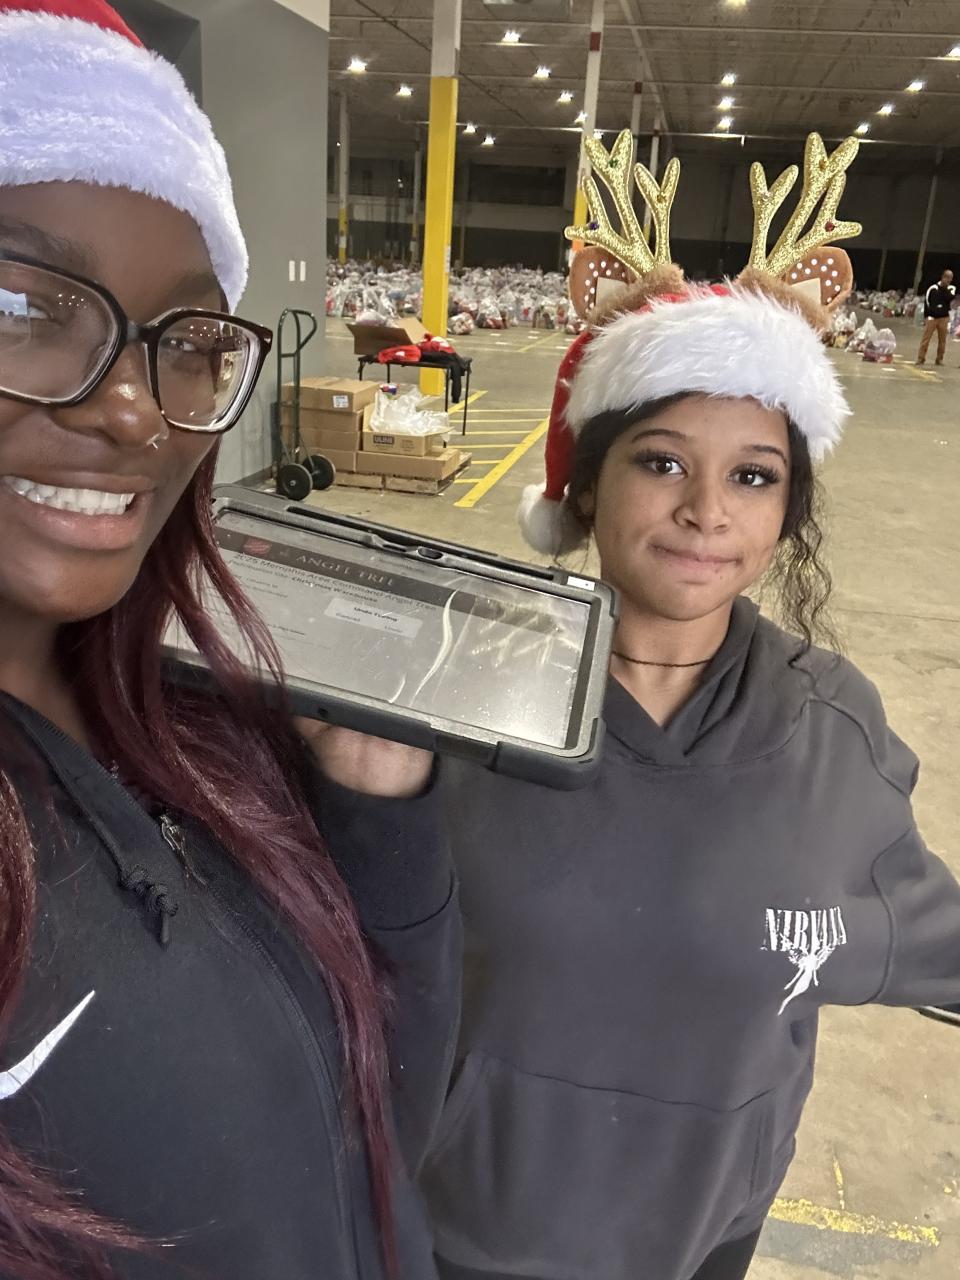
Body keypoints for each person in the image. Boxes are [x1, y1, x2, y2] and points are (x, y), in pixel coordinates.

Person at [0, 2, 458, 1277]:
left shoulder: (197, 707)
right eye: (22, 303)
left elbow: (378, 1124)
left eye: (189, 341)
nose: (134, 408)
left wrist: (380, 810)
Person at [422, 266, 960, 1280]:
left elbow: (915, 923)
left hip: (705, 1238)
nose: (707, 510)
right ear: (586, 485)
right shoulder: (451, 693)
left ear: (788, 508)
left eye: (753, 476)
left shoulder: (831, 730)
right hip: (468, 1231)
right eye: (663, 462)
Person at [916, 267, 955, 365]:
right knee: (926, 339)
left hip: (944, 317)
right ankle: (921, 358)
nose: (949, 280)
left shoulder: (950, 289)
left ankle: (939, 359)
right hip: (932, 317)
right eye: (947, 278)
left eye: (950, 278)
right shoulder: (933, 289)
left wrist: (945, 289)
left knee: (942, 340)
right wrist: (927, 316)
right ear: (943, 277)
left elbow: (949, 298)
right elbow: (927, 302)